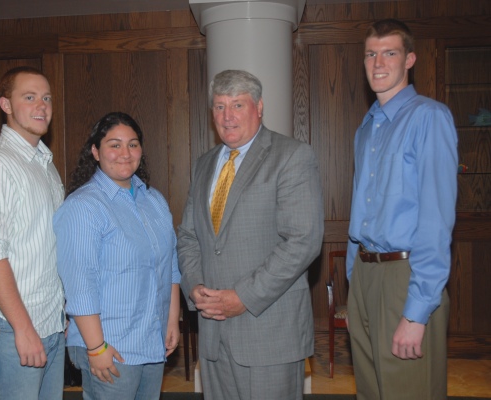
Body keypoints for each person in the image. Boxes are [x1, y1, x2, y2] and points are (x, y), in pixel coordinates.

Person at [177, 69, 324, 400]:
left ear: (258, 107)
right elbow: (188, 237)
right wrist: (196, 287)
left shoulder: (292, 156)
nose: (227, 116)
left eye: (237, 105)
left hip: (268, 332)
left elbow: (303, 241)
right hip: (213, 330)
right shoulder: (203, 164)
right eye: (219, 106)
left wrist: (242, 297)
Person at [346, 19, 458, 399]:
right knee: (372, 391)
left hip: (405, 276)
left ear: (409, 59)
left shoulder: (429, 117)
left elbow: (436, 221)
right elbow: (360, 209)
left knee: (409, 391)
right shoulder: (367, 128)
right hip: (365, 275)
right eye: (371, 54)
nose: (378, 63)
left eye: (389, 53)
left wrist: (416, 311)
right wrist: (353, 275)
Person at [53, 111, 181, 400]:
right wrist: (97, 348)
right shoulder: (84, 207)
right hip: (109, 345)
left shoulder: (154, 199)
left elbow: (170, 266)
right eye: (114, 144)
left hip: (152, 339)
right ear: (96, 152)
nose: (125, 153)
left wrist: (172, 321)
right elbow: (80, 285)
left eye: (133, 144)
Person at [0, 66, 66, 399]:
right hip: (7, 325)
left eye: (46, 98)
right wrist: (23, 328)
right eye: (30, 97)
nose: (42, 106)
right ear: (6, 105)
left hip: (46, 319)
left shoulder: (42, 163)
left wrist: (58, 314)